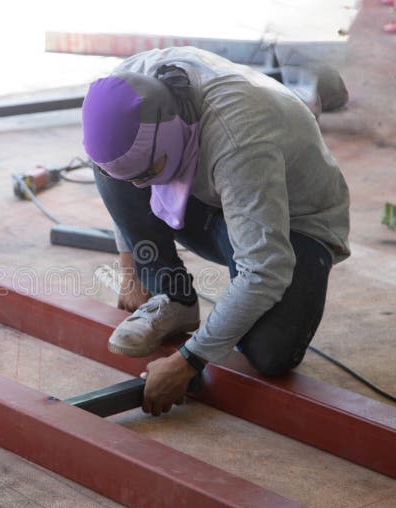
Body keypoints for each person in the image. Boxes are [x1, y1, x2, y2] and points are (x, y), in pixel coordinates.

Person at [81, 47, 350, 417]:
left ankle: (256, 306)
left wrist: (187, 361)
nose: (142, 190)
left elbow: (264, 269)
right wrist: (133, 269)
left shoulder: (239, 141)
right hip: (217, 199)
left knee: (271, 354)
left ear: (172, 131)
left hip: (296, 222)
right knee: (112, 166)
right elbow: (119, 168)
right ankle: (173, 299)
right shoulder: (125, 85)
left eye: (148, 175)